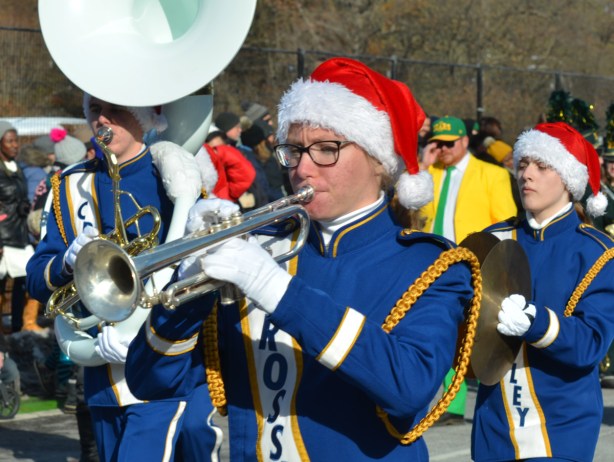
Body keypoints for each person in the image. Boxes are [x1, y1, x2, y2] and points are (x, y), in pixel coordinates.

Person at [126, 57, 475, 461]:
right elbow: (149, 381)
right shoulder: (259, 246)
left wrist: (274, 288)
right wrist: (190, 282)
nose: (303, 168)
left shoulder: (430, 265)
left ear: (380, 162)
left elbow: (410, 389)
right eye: (293, 151)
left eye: (327, 149)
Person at [26, 95, 221, 461]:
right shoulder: (68, 186)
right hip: (103, 369)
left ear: (143, 117)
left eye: (116, 111)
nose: (102, 120)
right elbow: (37, 281)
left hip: (171, 366)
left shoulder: (171, 177)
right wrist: (68, 262)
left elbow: (201, 268)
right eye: (95, 111)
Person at [472, 122, 614, 462]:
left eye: (541, 165)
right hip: (495, 423)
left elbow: (590, 343)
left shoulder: (597, 251)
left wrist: (536, 323)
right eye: (522, 165)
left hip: (560, 427)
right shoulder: (492, 239)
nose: (526, 175)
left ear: (568, 178)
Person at [420, 115, 517, 424]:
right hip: (430, 263)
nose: (443, 149)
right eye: (437, 143)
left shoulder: (491, 174)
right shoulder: (426, 174)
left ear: (464, 141)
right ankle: (435, 398)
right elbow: (411, 213)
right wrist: (423, 166)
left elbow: (505, 222)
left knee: (463, 330)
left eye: (449, 143)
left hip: (470, 263)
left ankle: (454, 403)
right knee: (432, 328)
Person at [0, 121, 43, 333]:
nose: (15, 145)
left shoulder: (16, 167)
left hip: (18, 232)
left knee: (23, 280)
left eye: (16, 141)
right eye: (10, 141)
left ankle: (19, 325)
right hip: (3, 234)